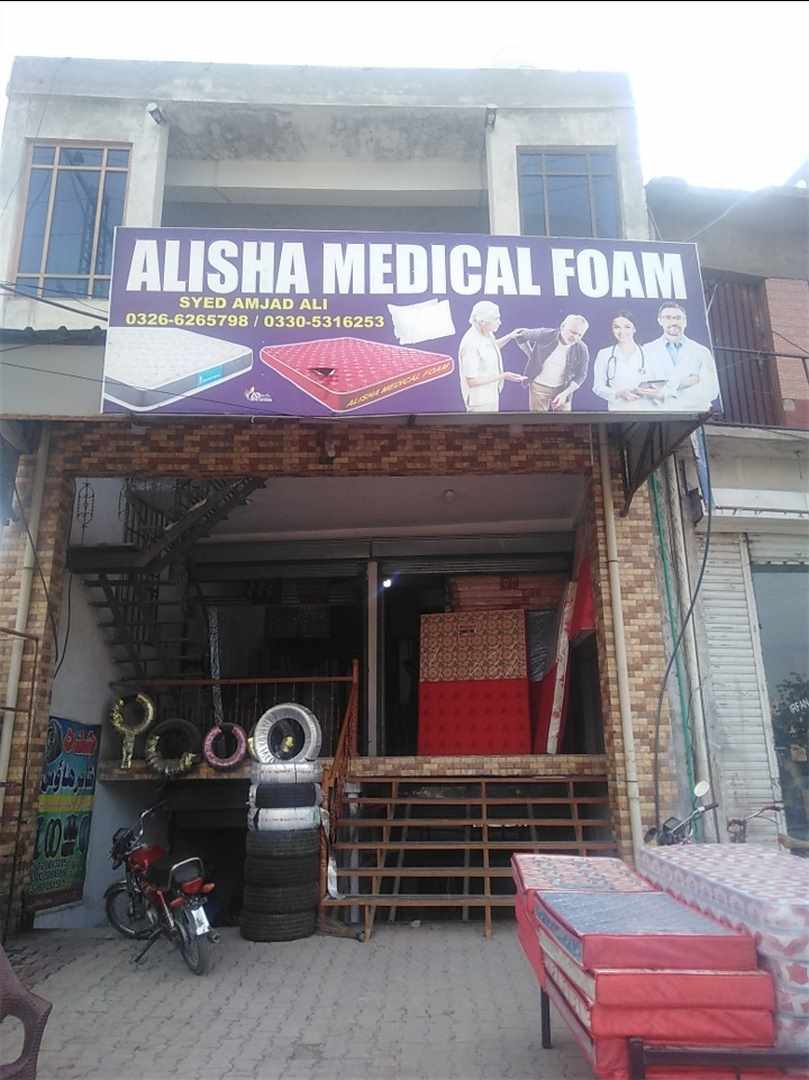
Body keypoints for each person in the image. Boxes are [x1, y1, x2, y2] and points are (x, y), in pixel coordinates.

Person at [641, 302, 720, 411]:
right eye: (668, 317)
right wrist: (685, 383)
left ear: (685, 321)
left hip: (695, 415)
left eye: (678, 318)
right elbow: (645, 390)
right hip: (659, 415)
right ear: (659, 321)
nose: (674, 322)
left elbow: (712, 391)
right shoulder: (646, 350)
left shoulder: (702, 351)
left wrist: (665, 391)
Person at [512, 315, 590, 413]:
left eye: (580, 335)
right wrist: (531, 356)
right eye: (573, 332)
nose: (575, 337)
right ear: (562, 326)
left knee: (565, 421)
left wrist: (565, 393)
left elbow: (581, 375)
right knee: (538, 421)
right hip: (539, 386)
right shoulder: (545, 334)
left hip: (563, 389)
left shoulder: (582, 348)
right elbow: (520, 335)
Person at [458, 301, 526, 413]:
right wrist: (503, 376)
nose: (499, 322)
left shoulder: (486, 333)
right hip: (479, 402)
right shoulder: (470, 344)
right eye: (496, 319)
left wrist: (510, 337)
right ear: (482, 322)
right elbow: (471, 381)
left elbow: (491, 348)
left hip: (490, 395)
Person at [592, 312, 653, 411]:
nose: (622, 331)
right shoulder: (604, 354)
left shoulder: (648, 353)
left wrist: (648, 391)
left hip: (643, 411)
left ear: (634, 329)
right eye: (617, 327)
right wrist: (618, 394)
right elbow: (597, 387)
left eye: (627, 327)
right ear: (612, 329)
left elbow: (657, 384)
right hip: (616, 411)